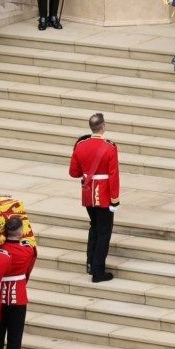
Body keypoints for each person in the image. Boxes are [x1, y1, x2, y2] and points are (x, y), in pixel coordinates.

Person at [68, 113, 119, 282]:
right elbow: (113, 176)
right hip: (103, 195)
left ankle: (90, 264)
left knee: (94, 228)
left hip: (88, 194)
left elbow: (74, 172)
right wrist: (115, 199)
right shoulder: (110, 147)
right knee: (104, 232)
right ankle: (98, 271)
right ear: (103, 126)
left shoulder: (81, 145)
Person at [0, 215, 36, 349]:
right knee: (14, 341)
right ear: (20, 231)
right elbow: (28, 267)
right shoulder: (27, 250)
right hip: (17, 297)